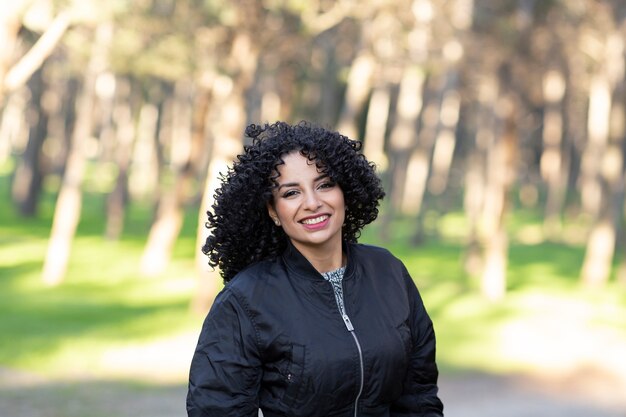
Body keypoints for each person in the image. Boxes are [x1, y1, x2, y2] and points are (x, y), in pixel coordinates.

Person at [187, 121, 444, 417]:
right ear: (273, 211)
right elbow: (217, 409)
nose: (313, 203)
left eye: (324, 184)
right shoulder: (245, 300)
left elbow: (419, 396)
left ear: (344, 191)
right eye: (291, 193)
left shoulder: (388, 273)